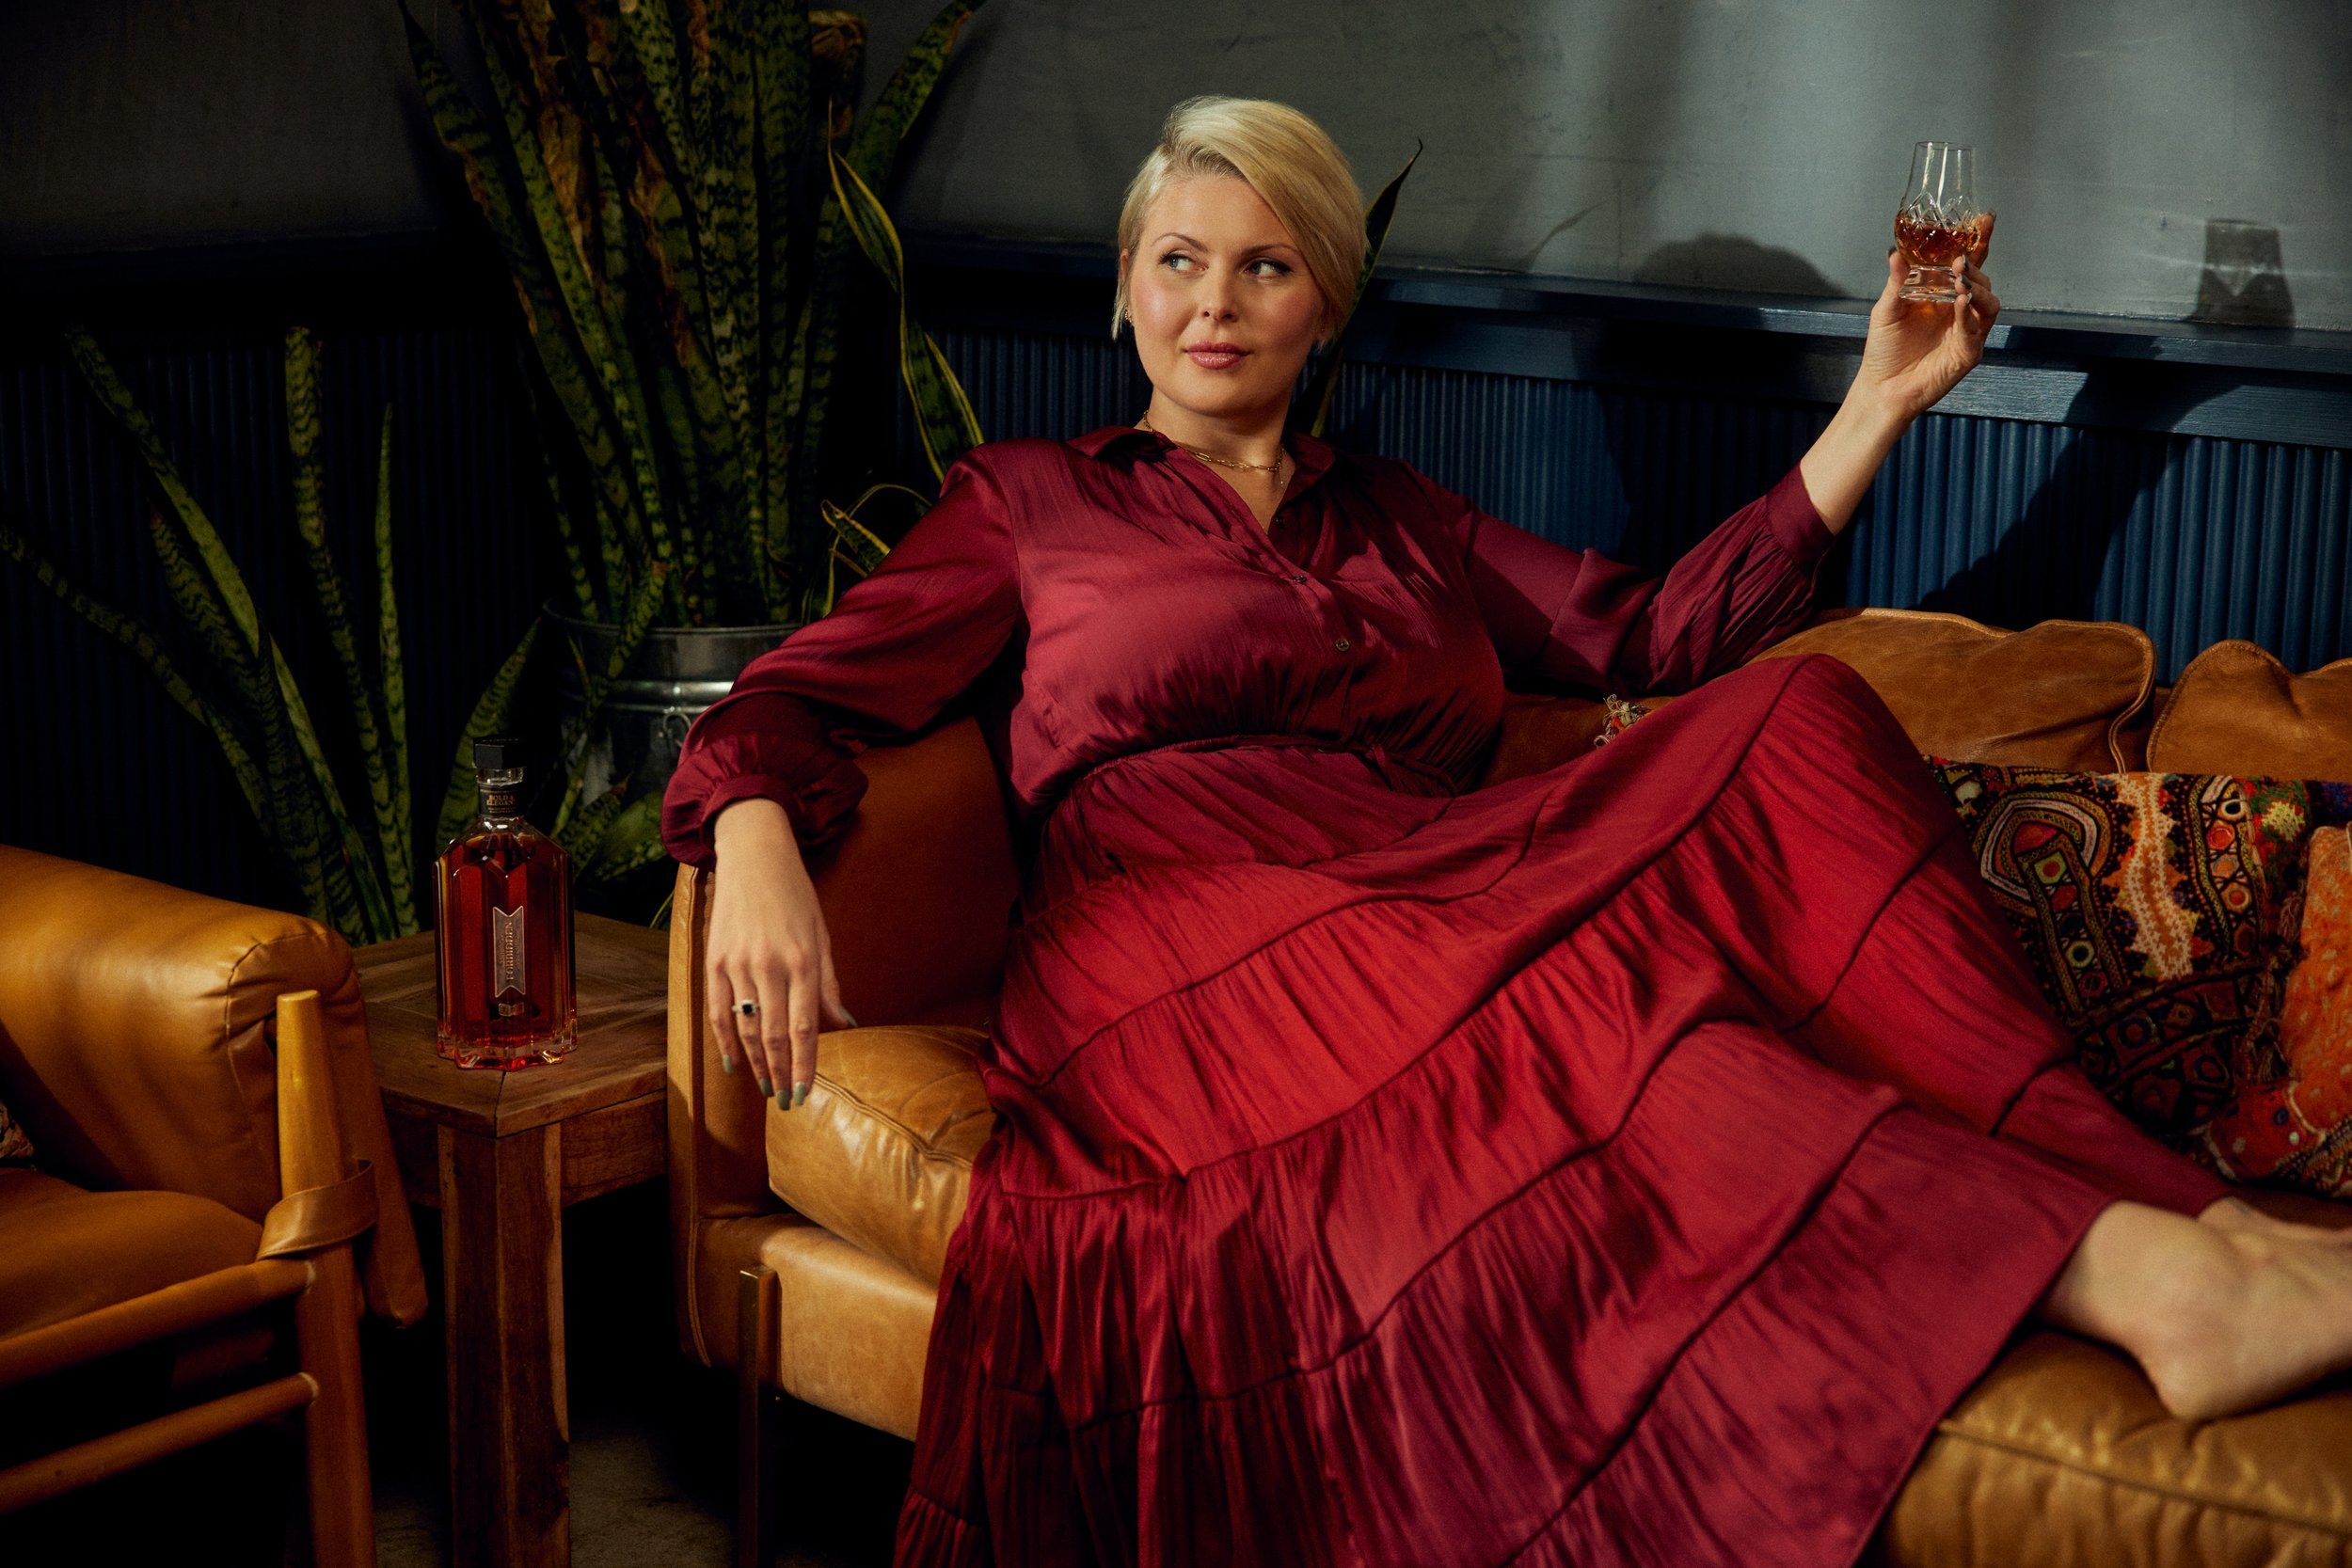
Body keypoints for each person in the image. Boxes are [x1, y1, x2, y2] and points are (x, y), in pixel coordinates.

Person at [663, 96, 2352, 1568]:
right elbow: (792, 696)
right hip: (1178, 936)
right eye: (1176, 259)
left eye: (1263, 264)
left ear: (1325, 296)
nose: (1214, 302)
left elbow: (1668, 642)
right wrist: (746, 835)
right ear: (1121, 290)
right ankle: (2159, 1287)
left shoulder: (1402, 519)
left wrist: (1880, 408)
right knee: (1614, 1027)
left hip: (1422, 883)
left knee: (1799, 716)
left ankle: (2149, 1203)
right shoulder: (1029, 499)